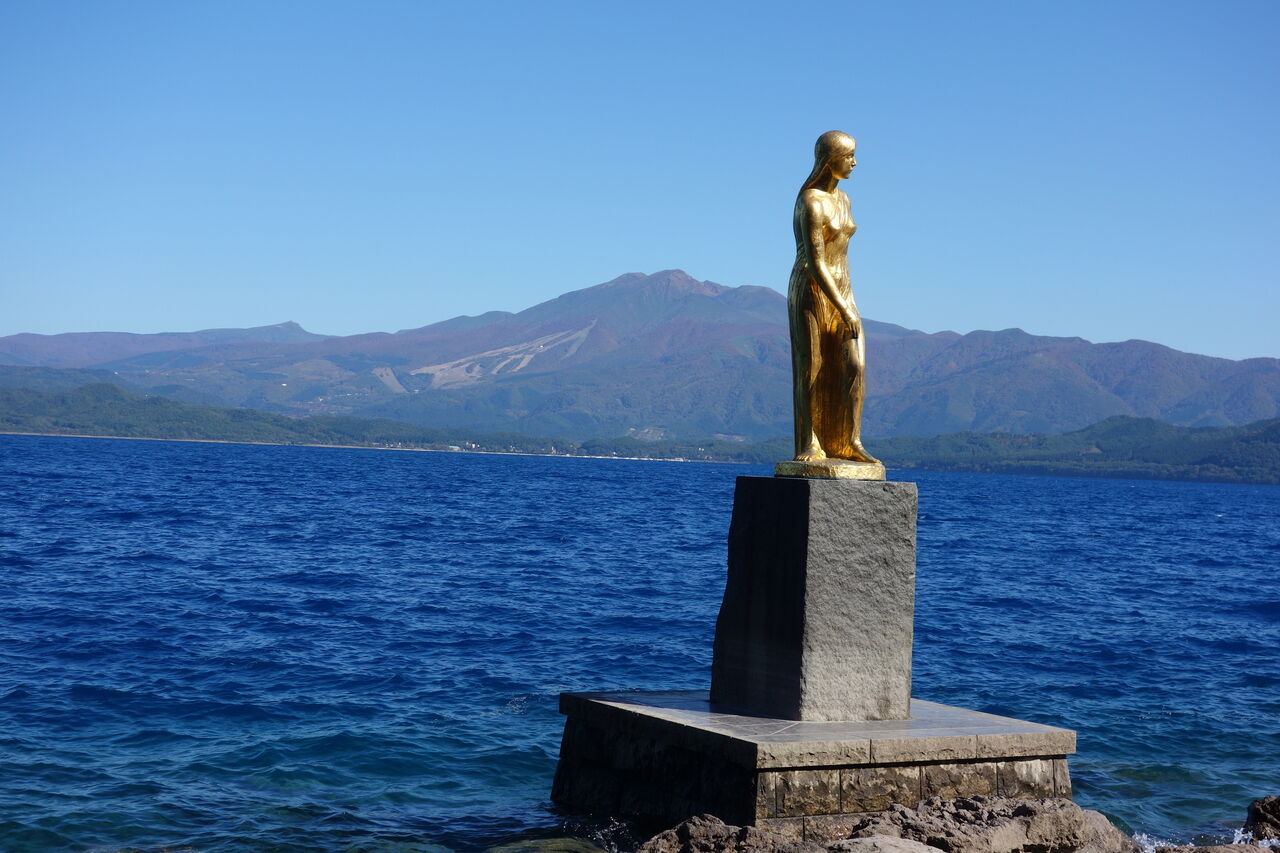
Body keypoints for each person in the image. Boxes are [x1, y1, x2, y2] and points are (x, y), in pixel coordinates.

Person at [787, 130, 880, 466]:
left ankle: (850, 440)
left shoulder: (845, 200)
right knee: (812, 366)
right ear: (830, 160)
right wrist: (842, 307)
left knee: (855, 363)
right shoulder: (810, 201)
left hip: (843, 285)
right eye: (849, 156)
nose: (854, 163)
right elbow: (815, 261)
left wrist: (847, 301)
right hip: (812, 288)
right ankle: (810, 441)